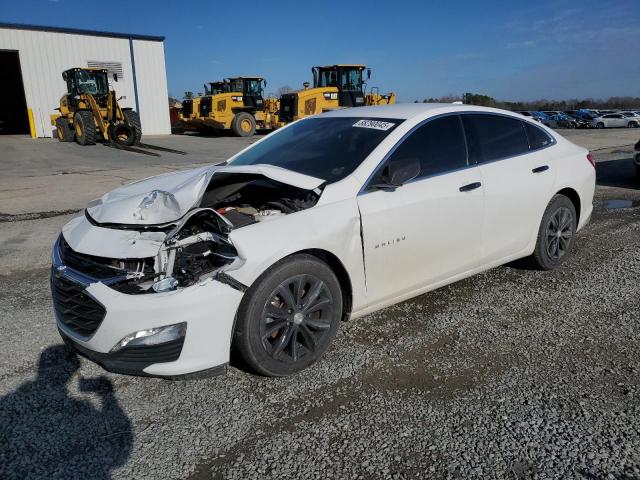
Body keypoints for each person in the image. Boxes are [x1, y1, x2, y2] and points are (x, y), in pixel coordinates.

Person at [0, 345, 132, 479]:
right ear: (70, 372)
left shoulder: (8, 405)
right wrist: (107, 395)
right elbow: (119, 451)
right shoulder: (80, 412)